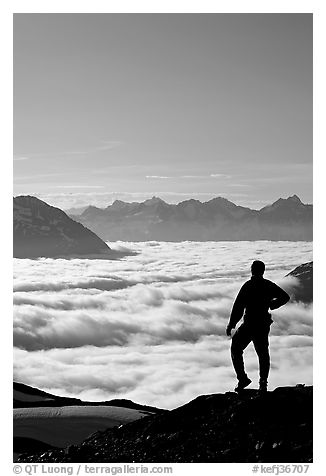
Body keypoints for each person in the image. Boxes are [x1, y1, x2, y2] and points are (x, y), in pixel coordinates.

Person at [226, 260, 290, 392]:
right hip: (262, 324)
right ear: (263, 271)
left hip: (249, 323)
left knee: (236, 348)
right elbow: (285, 297)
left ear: (252, 270)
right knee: (262, 353)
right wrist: (273, 304)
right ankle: (263, 383)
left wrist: (231, 324)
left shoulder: (248, 286)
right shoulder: (268, 285)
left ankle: (243, 379)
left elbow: (238, 307)